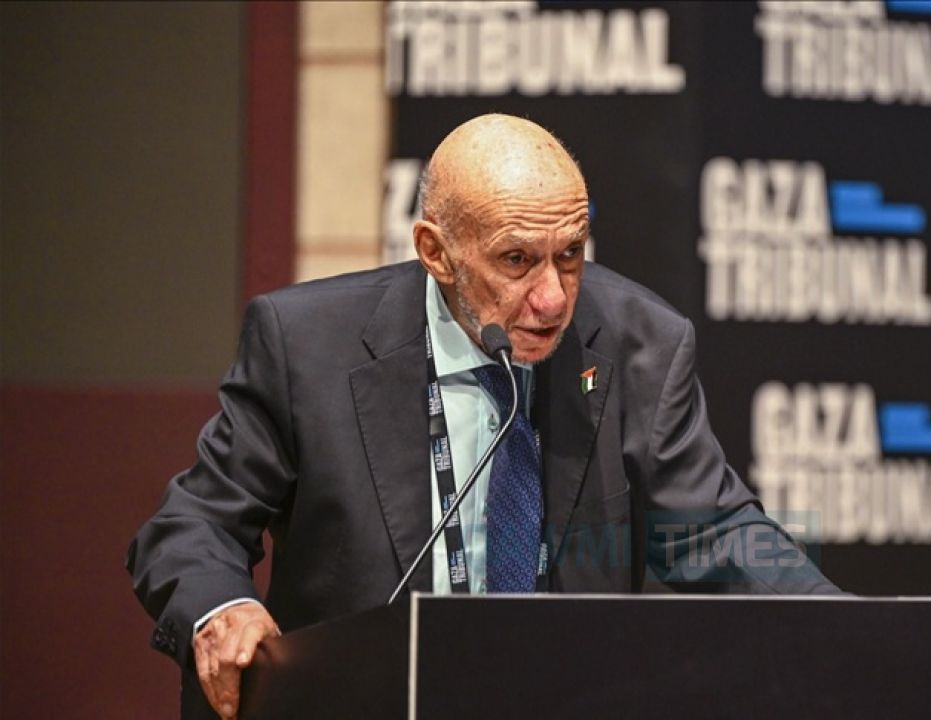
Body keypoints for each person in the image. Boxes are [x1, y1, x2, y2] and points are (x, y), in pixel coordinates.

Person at [128, 114, 840, 719]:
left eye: (571, 255)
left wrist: (850, 630)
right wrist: (223, 611)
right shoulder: (306, 346)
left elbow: (714, 532)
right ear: (436, 252)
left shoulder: (638, 343)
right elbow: (195, 523)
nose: (553, 298)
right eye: (516, 260)